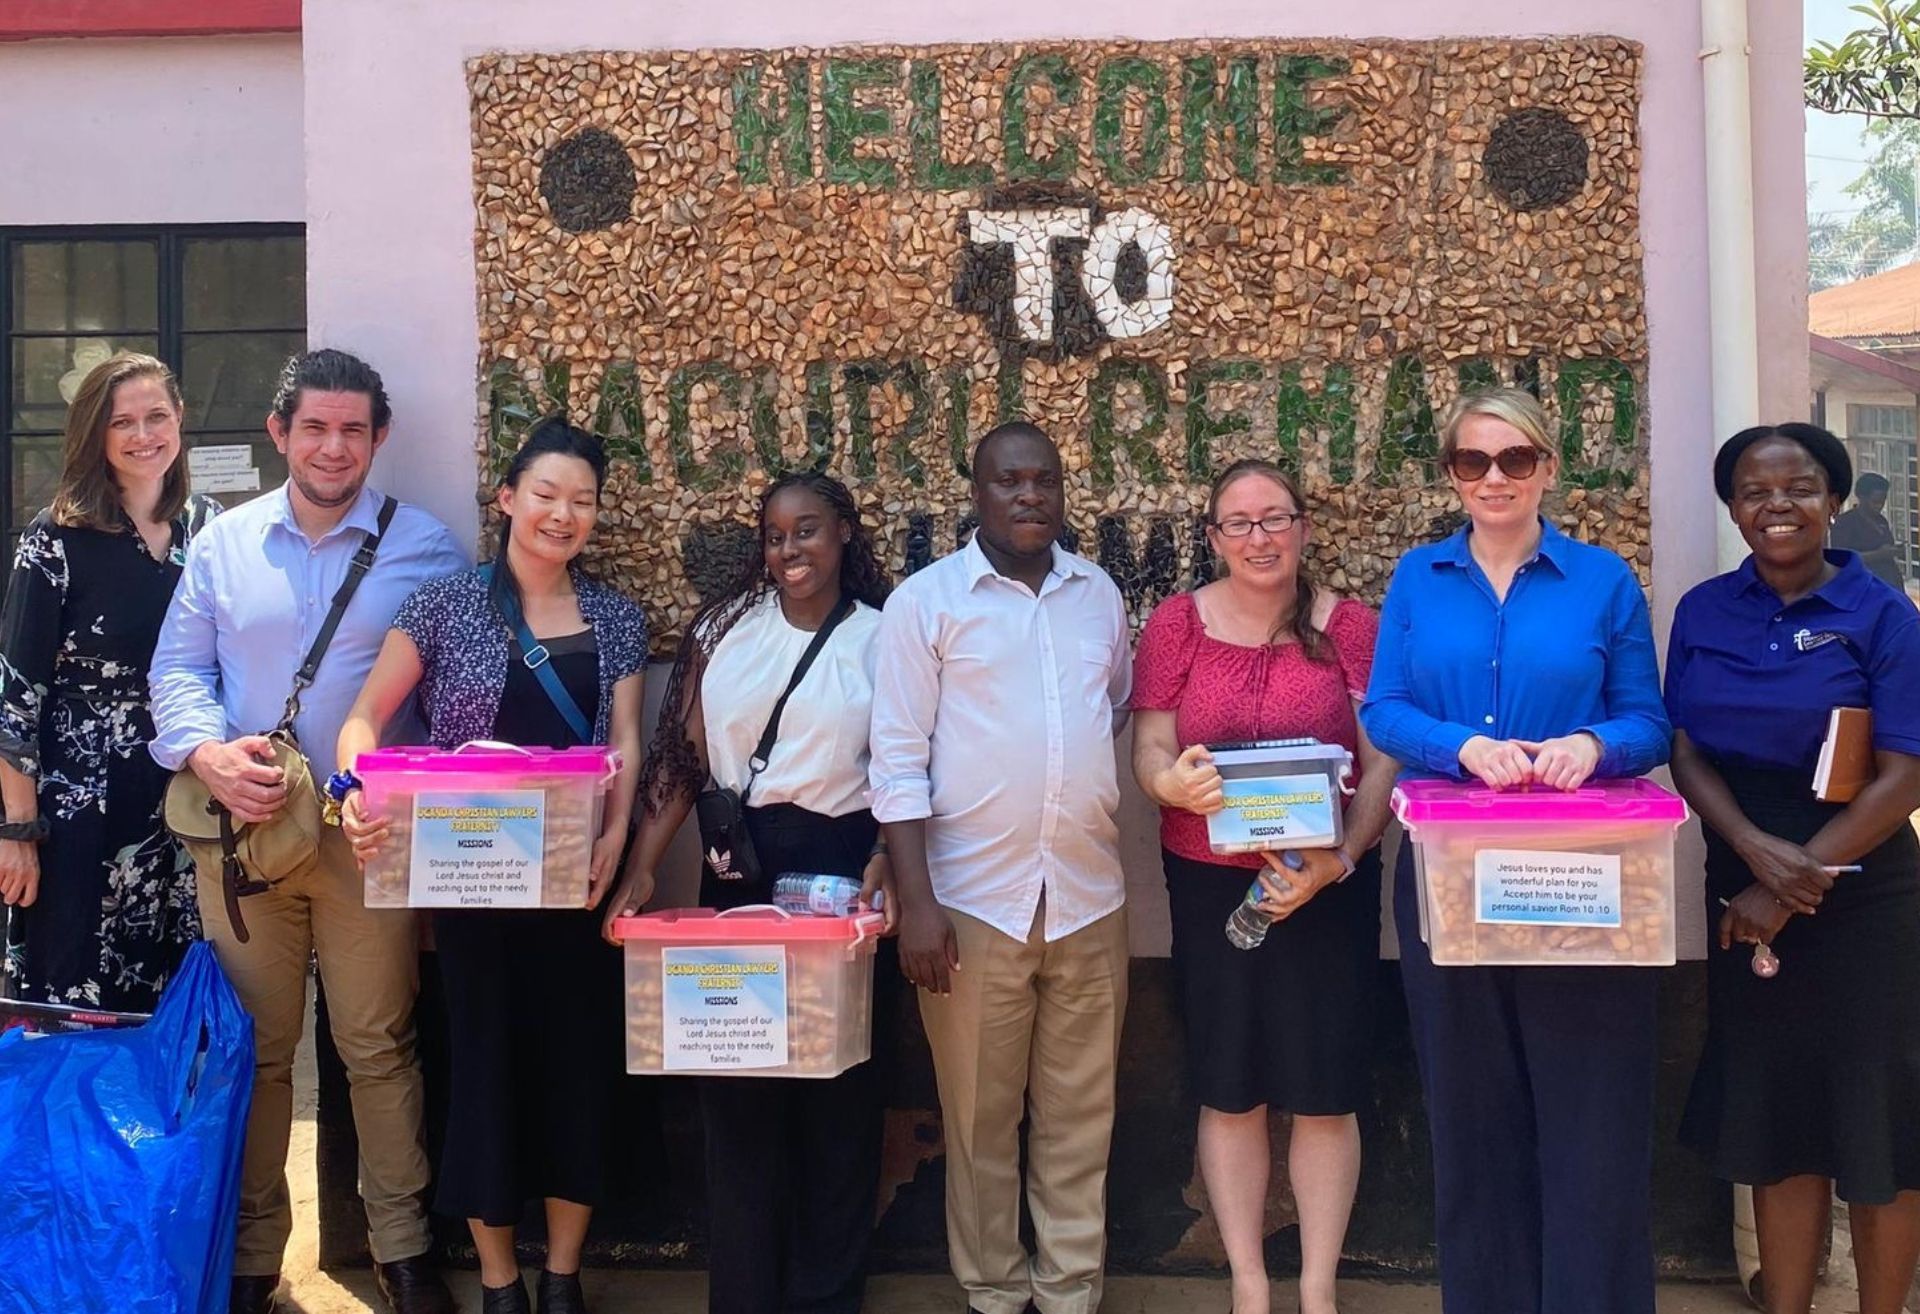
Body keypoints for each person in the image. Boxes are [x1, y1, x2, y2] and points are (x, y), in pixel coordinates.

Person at [148, 349, 467, 1314]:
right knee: (258, 1048)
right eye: (315, 427)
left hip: (365, 837)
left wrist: (413, 797)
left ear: (380, 439)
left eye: (354, 429)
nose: (335, 447)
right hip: (243, 841)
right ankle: (253, 1263)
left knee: (378, 1044)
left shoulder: (428, 548)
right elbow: (176, 670)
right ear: (279, 433)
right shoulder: (224, 543)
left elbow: (455, 694)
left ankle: (403, 1251)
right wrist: (207, 756)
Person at [1359, 387, 1672, 1314]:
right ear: (1452, 475)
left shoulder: (1605, 581)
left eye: (1515, 459)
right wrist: (1458, 746)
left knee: (1593, 1120)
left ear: (1548, 467)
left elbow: (1648, 722)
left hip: (1581, 880)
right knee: (1471, 1119)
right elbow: (1382, 708)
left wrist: (1593, 747)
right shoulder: (1419, 579)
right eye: (1472, 461)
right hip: (1452, 877)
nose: (1495, 478)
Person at [338, 416, 647, 1314]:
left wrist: (614, 845)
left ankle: (561, 1276)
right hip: (468, 885)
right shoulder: (443, 606)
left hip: (573, 887)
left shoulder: (615, 618)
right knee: (483, 1070)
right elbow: (367, 720)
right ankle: (501, 1284)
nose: (563, 514)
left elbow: (623, 748)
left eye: (581, 501)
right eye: (545, 494)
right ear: (506, 499)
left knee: (576, 1072)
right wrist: (353, 791)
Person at [603, 469, 895, 1314]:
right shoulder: (722, 630)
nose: (789, 549)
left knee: (837, 1103)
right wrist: (643, 867)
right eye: (774, 535)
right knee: (737, 1090)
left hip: (842, 870)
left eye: (806, 530)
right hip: (736, 872)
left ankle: (826, 1298)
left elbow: (911, 767)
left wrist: (885, 858)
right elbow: (681, 758)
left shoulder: (885, 636)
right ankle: (744, 1297)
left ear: (844, 530)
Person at [870, 420, 1133, 1314]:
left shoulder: (1098, 594)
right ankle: (991, 1290)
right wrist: (918, 904)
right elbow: (897, 763)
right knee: (980, 1120)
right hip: (971, 904)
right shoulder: (926, 604)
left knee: (1079, 1117)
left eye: (1045, 480)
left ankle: (1067, 1292)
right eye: (1009, 481)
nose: (1031, 496)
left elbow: (1116, 712)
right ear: (975, 493)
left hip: (1089, 898)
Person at [1666, 422, 1920, 1314]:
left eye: (1800, 486)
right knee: (1775, 1116)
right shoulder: (1703, 611)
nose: (1778, 504)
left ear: (1835, 500)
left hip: (1861, 882)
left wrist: (1792, 877)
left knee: (1876, 1117)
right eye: (1754, 490)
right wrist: (1750, 854)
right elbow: (1686, 747)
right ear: (1733, 506)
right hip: (1741, 865)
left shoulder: (1884, 616)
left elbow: (1906, 775)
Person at [1130, 459, 1394, 1314]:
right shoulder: (1176, 626)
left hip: (1327, 885)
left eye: (1275, 519)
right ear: (1213, 538)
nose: (1259, 538)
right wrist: (1169, 786)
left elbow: (1383, 755)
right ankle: (1249, 1283)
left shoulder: (1352, 627)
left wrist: (1342, 858)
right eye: (1239, 523)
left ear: (1304, 528)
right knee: (1229, 1084)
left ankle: (1316, 1289)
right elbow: (1150, 748)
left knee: (1324, 1091)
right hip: (1212, 886)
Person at [0, 352, 220, 1010]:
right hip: (77, 809)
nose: (143, 434)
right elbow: (16, 697)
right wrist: (18, 835)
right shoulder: (56, 539)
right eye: (122, 421)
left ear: (180, 420)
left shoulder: (208, 529)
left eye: (157, 416)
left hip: (183, 795)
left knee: (174, 999)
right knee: (70, 1000)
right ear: (96, 434)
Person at [1830, 471, 1905, 594]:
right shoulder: (1845, 523)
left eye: (1882, 502)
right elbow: (1842, 559)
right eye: (1875, 501)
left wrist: (1894, 551)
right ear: (1862, 497)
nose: (1879, 506)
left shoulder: (1881, 521)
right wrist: (1878, 554)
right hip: (1862, 587)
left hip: (1889, 584)